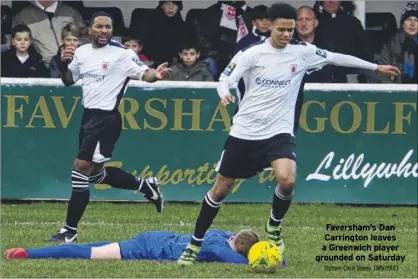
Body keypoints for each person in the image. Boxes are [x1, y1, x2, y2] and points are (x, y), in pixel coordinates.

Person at [177, 2, 400, 266]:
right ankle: (194, 243)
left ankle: (274, 226)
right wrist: (224, 92)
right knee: (220, 189)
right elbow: (226, 77)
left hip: (278, 131)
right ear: (269, 25)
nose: (286, 34)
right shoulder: (252, 53)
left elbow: (336, 57)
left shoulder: (302, 52)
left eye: (290, 30)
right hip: (245, 131)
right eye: (281, 29)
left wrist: (375, 68)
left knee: (288, 179)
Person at [47, 11, 171, 244]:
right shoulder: (82, 52)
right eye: (100, 27)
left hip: (106, 120)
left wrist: (158, 74)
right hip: (88, 118)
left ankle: (69, 231)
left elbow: (145, 73)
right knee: (94, 174)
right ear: (90, 29)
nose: (104, 31)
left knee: (80, 167)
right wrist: (63, 62)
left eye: (108, 27)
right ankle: (146, 185)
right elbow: (68, 80)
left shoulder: (123, 54)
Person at [6, 229, 260, 265]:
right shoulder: (219, 245)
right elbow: (237, 260)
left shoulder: (222, 234)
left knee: (86, 248)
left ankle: (30, 251)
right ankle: (28, 253)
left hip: (154, 239)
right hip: (144, 247)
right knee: (87, 254)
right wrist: (264, 260)